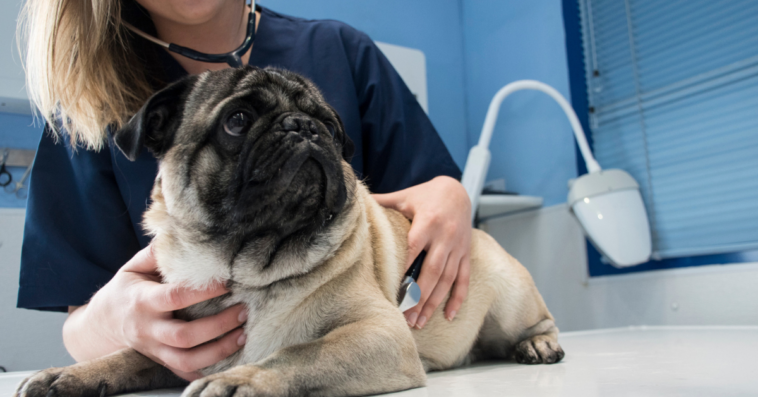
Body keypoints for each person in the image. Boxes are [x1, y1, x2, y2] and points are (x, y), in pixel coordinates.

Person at [17, 0, 472, 381]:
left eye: (323, 130)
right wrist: (109, 321)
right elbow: (80, 322)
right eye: (238, 123)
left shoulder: (342, 51)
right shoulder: (86, 106)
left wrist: (450, 193)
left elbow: (423, 210)